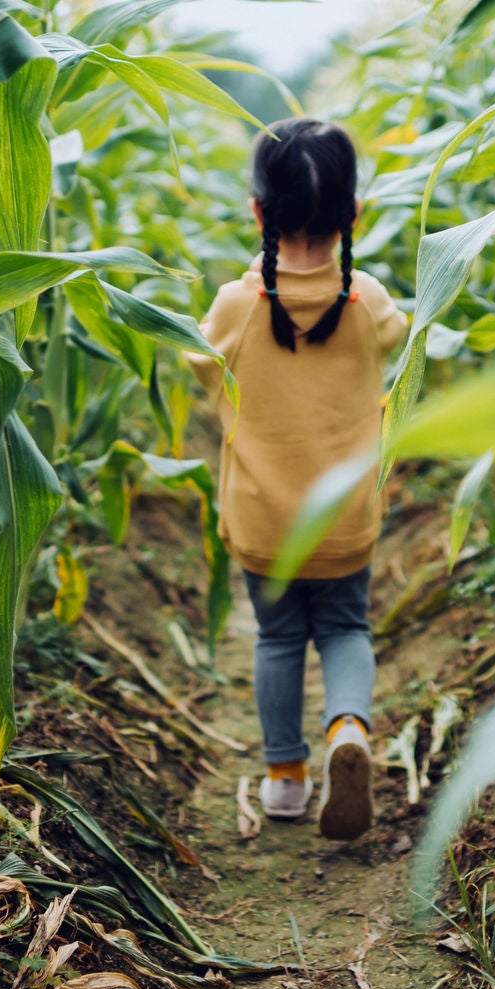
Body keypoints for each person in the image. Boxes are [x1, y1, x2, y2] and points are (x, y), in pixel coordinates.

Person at [186, 118, 409, 840]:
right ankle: (348, 724)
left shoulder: (234, 306)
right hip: (345, 517)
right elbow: (400, 337)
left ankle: (285, 778)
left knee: (278, 639)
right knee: (345, 625)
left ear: (258, 212)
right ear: (355, 215)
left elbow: (198, 364)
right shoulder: (367, 301)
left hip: (263, 521)